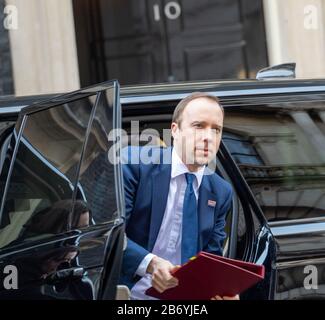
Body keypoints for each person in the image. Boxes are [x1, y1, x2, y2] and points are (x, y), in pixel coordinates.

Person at [120, 92, 239, 300]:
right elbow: (110, 237)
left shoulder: (221, 192)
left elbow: (209, 260)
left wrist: (220, 289)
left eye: (216, 129)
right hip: (129, 295)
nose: (208, 137)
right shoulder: (135, 166)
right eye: (198, 126)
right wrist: (151, 264)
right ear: (175, 130)